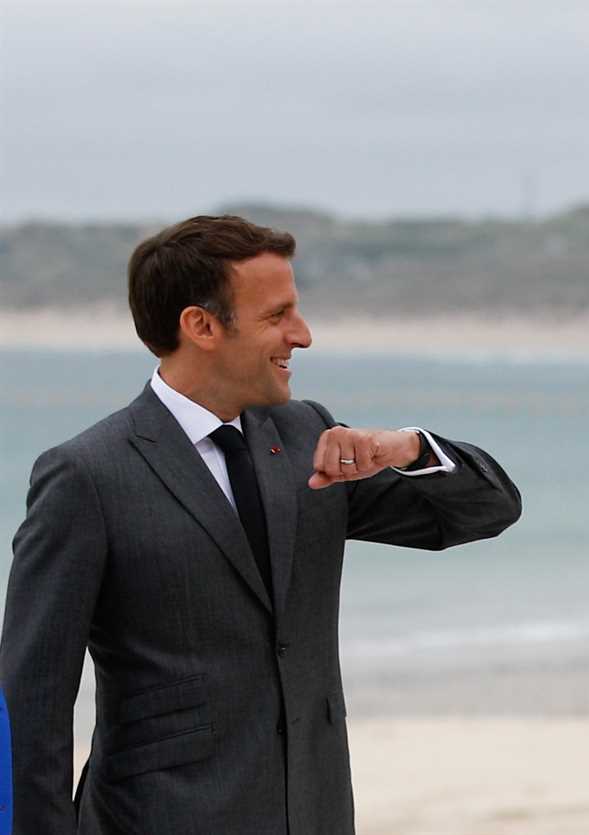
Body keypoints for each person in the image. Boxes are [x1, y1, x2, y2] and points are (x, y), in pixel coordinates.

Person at [0, 215, 522, 834]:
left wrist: (407, 448)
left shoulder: (309, 437)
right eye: (277, 316)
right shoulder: (87, 475)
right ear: (201, 326)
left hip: (315, 813)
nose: (301, 335)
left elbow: (486, 510)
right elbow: (31, 704)